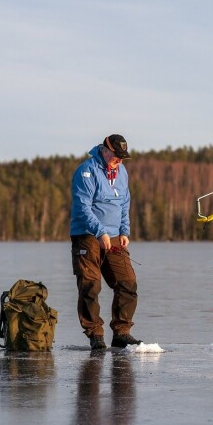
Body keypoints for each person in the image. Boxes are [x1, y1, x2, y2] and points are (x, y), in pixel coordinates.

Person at [70, 134, 142, 350]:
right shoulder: (87, 170)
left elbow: (124, 202)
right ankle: (95, 335)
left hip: (114, 236)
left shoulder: (122, 172)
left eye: (122, 158)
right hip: (87, 236)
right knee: (91, 285)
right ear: (105, 150)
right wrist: (100, 232)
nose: (119, 161)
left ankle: (121, 332)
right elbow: (83, 206)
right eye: (116, 156)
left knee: (127, 283)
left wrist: (124, 230)